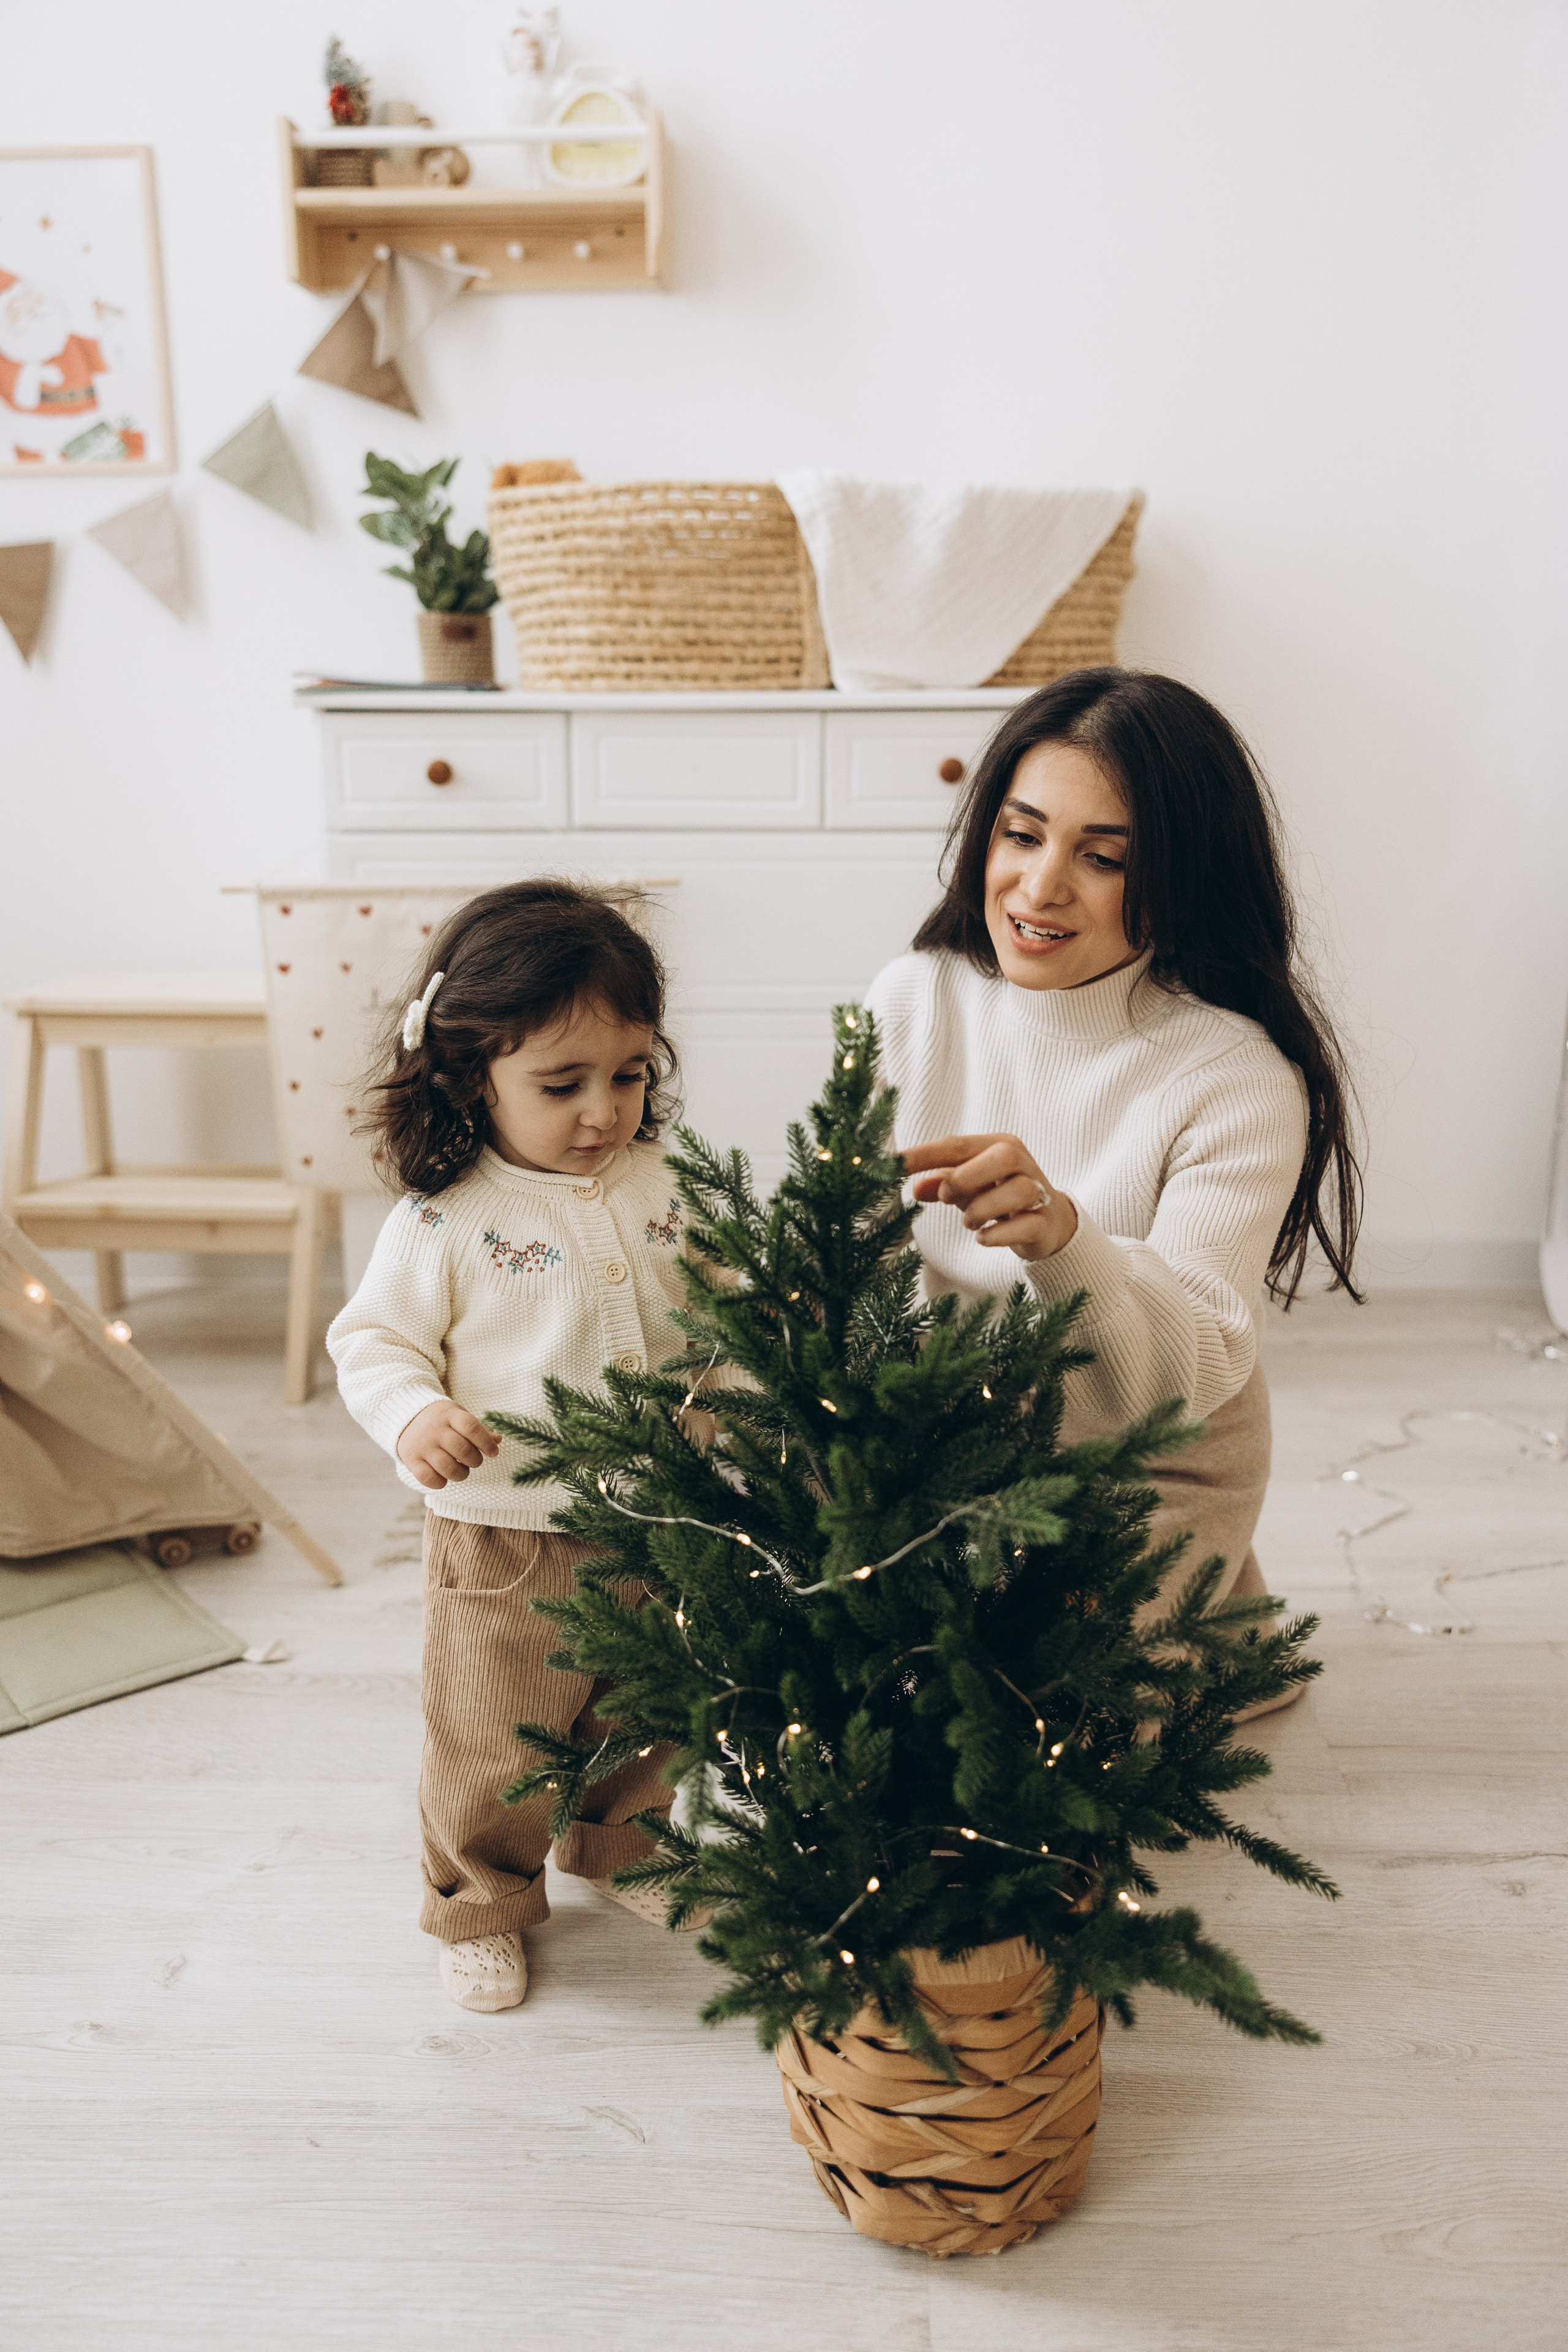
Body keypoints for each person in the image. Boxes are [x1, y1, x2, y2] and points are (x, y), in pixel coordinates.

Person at [865, 668, 1362, 1675]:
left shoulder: (1235, 1078)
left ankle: (1223, 1620)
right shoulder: (915, 1001)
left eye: (1102, 859)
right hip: (950, 1427)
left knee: (1014, 1704)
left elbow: (1177, 1379)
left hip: (1154, 1450)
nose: (1041, 887)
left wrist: (1065, 1241)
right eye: (1021, 834)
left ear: (1183, 880)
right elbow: (860, 1261)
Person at [328, 881, 692, 2015]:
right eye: (561, 1084)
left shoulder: (668, 1190)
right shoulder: (443, 1221)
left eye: (629, 1075)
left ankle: (622, 1848)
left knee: (648, 1712)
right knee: (496, 1740)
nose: (603, 1111)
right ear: (471, 1074)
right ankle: (481, 1899)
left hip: (662, 1518)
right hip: (504, 1535)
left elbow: (727, 1310)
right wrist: (413, 1415)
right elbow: (374, 1342)